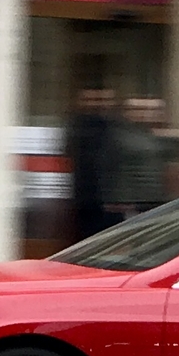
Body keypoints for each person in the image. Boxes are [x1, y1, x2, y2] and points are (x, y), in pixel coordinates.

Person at [66, 87, 117, 242]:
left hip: (107, 193)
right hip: (83, 192)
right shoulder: (77, 126)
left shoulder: (113, 126)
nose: (97, 105)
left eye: (101, 100)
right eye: (92, 100)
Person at [110, 96, 170, 220]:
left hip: (155, 198)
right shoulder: (119, 136)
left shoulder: (154, 136)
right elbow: (114, 171)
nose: (143, 114)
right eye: (137, 109)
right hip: (133, 201)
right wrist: (122, 199)